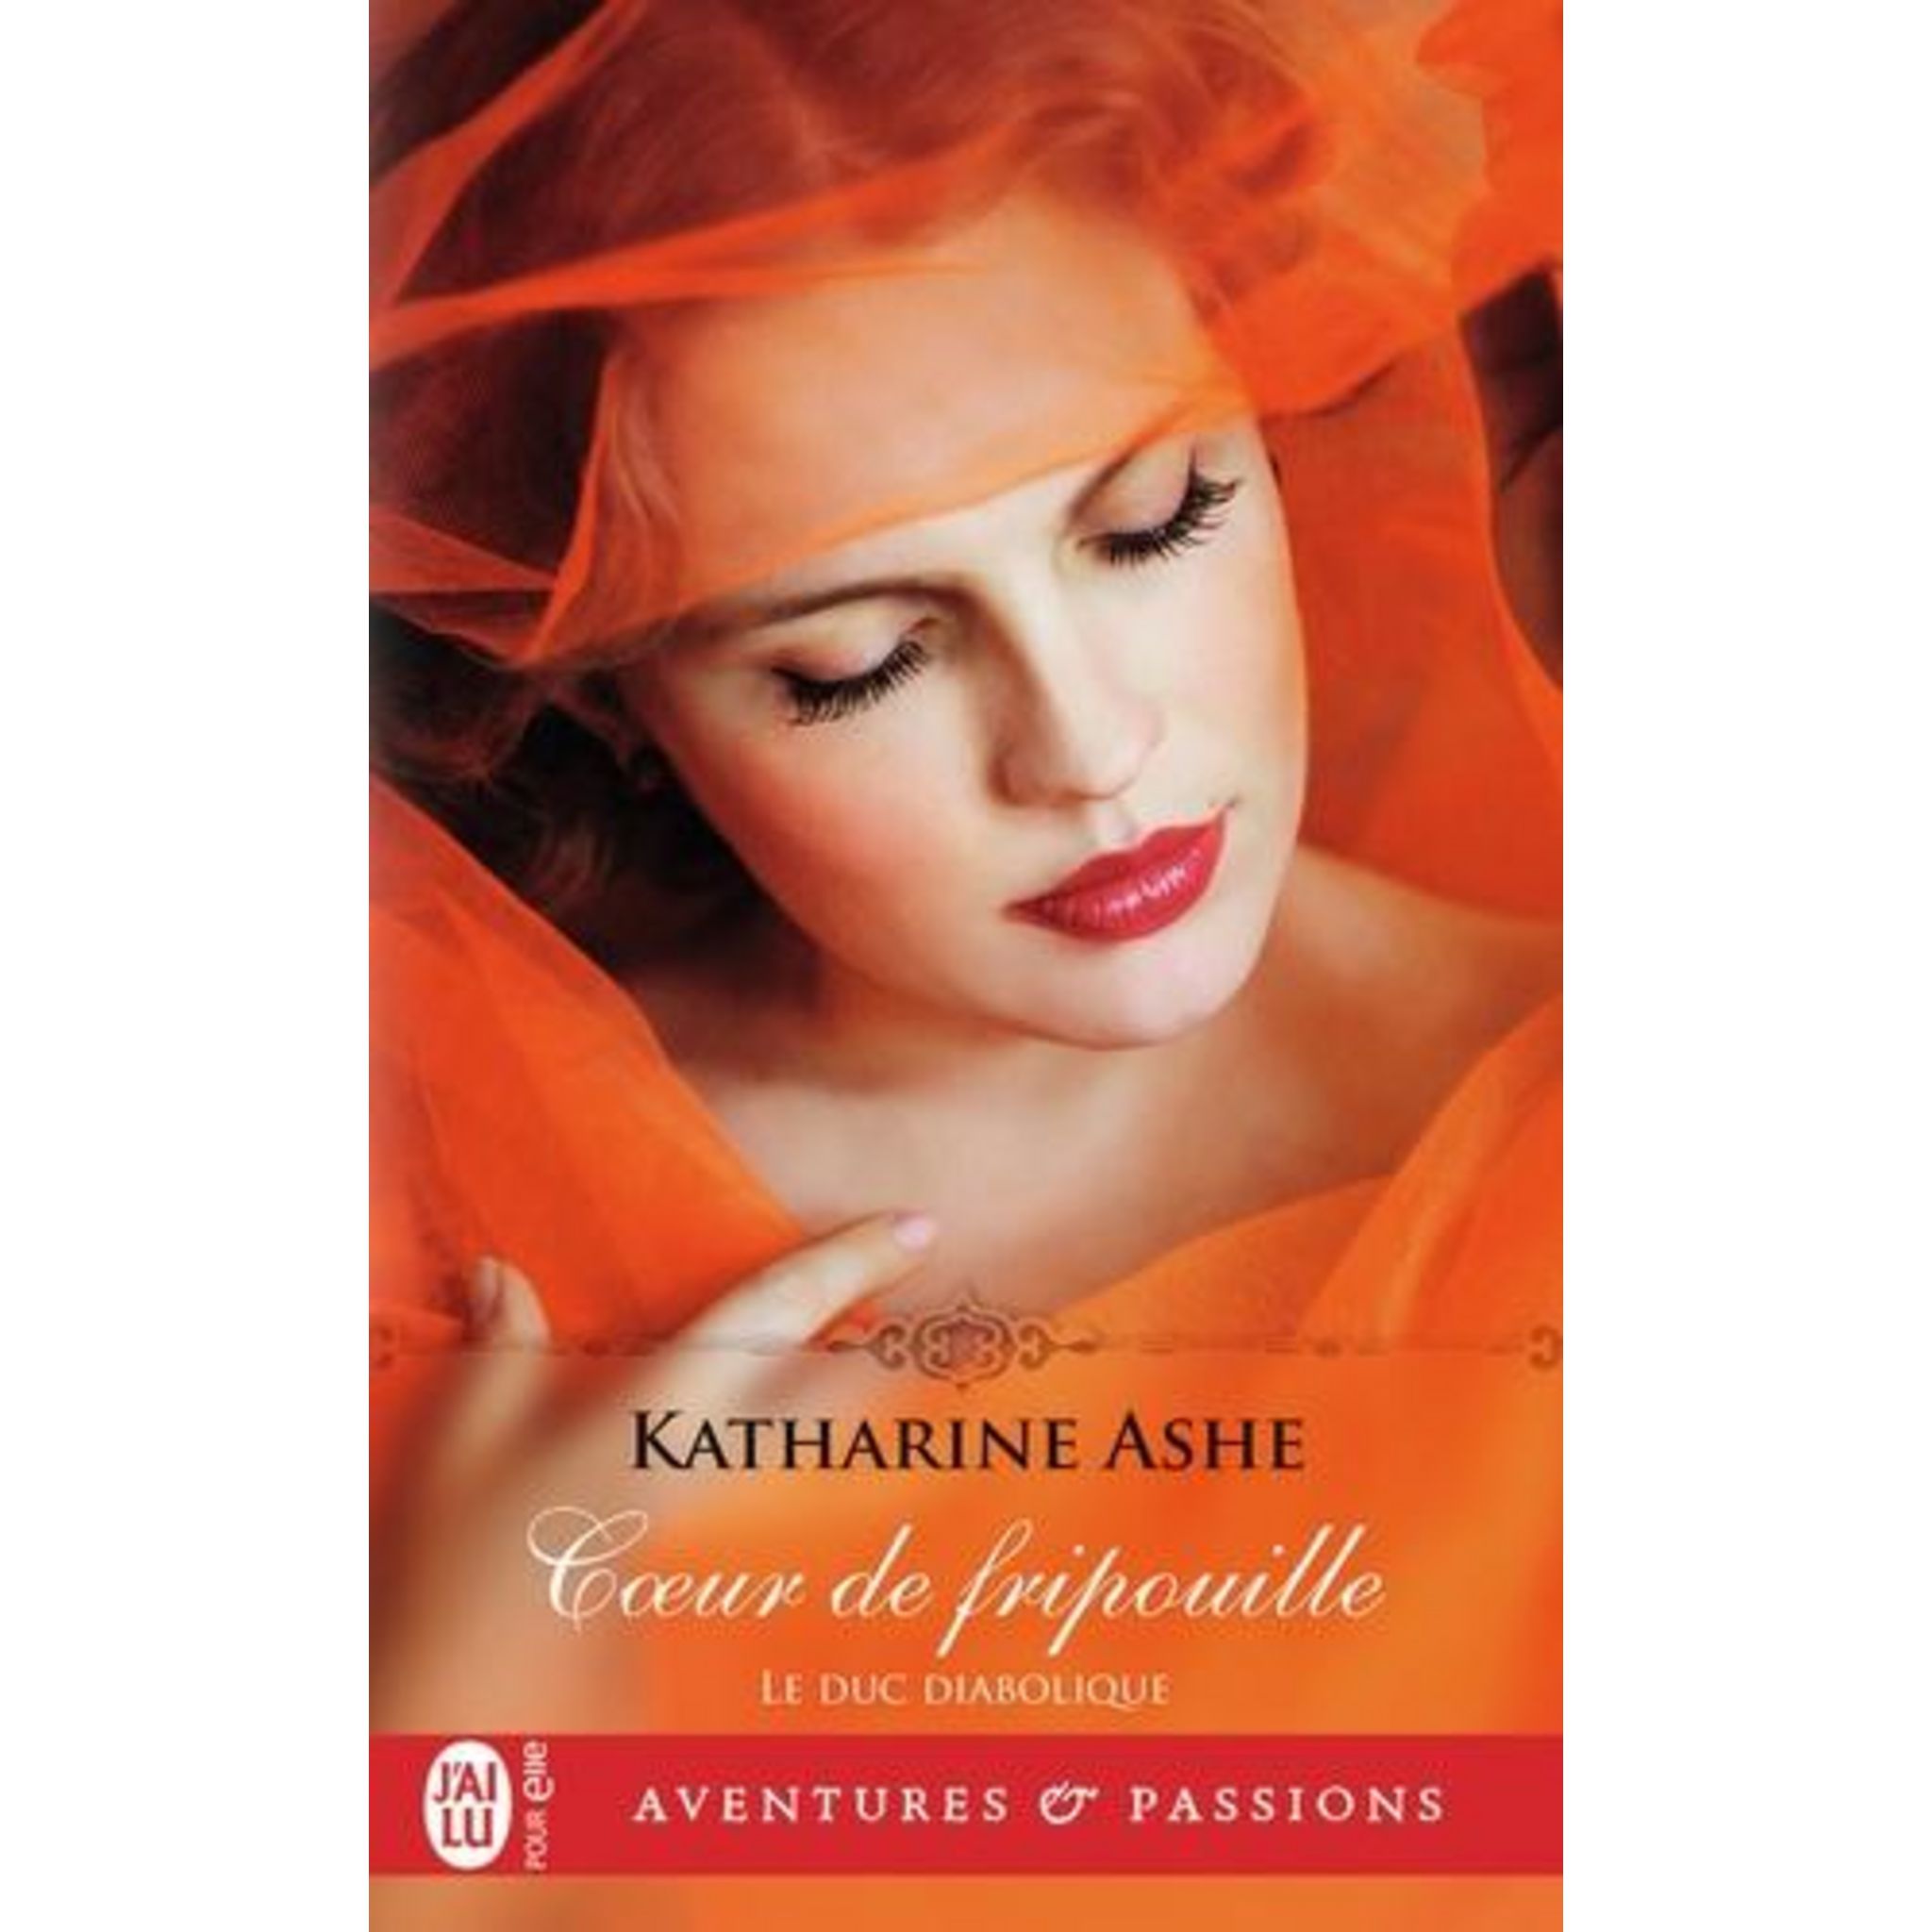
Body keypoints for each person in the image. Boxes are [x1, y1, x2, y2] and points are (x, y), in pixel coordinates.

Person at [370, 0, 1561, 1923]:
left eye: (1156, 519)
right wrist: (447, 1730)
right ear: (606, 699)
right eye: (860, 663)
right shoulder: (413, 1246)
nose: (1088, 750)